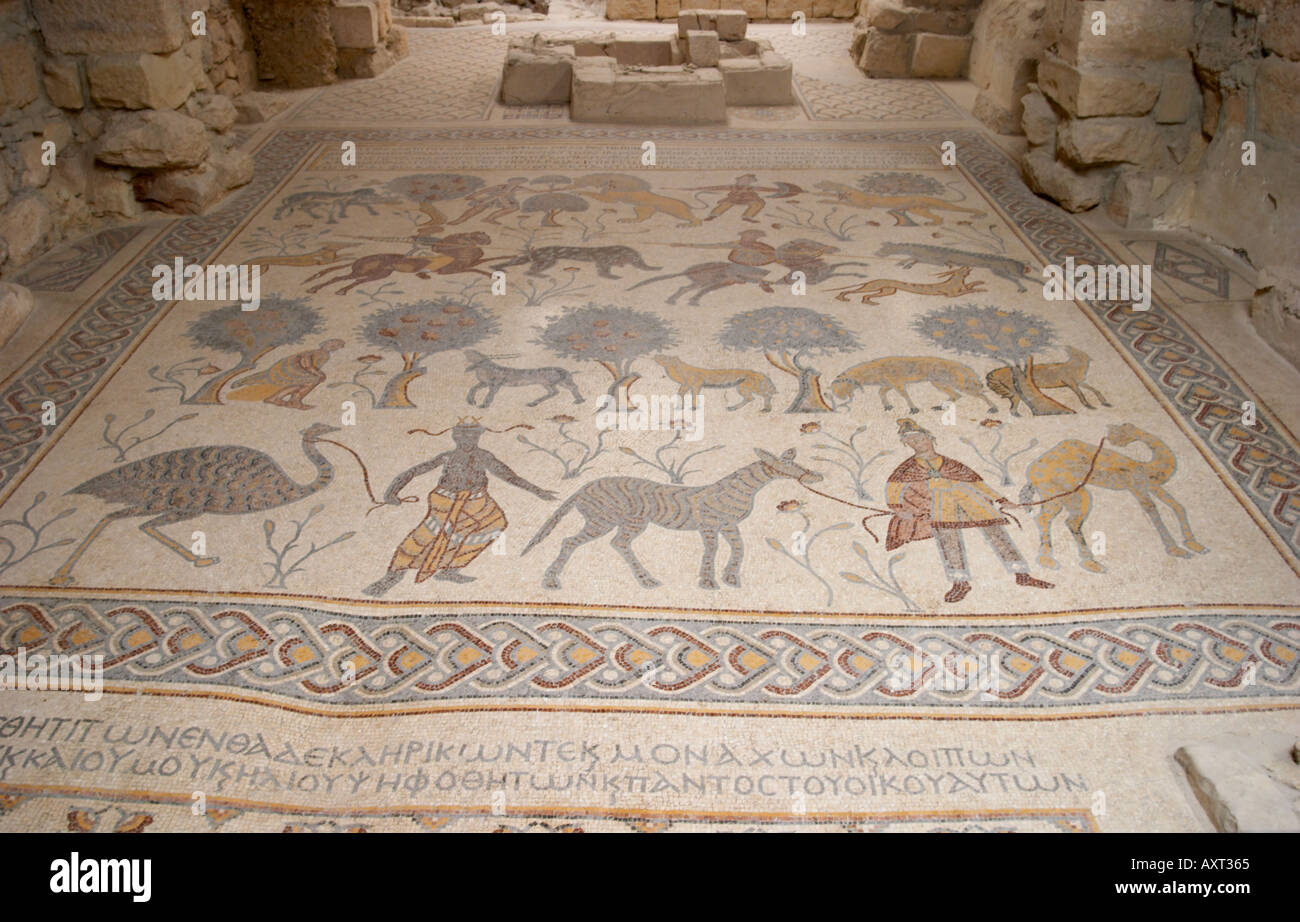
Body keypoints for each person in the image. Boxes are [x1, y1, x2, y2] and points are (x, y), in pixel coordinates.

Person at [363, 419, 555, 596]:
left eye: (473, 436)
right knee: (427, 534)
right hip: (446, 501)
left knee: (494, 524)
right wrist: (392, 492)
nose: (468, 440)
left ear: (479, 437)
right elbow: (414, 471)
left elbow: (510, 476)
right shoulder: (448, 457)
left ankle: (451, 568)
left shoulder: (484, 456)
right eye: (463, 436)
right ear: (455, 437)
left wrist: (538, 491)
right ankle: (392, 575)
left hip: (477, 501)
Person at [884, 418, 1053, 603]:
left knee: (996, 532)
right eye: (912, 441)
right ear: (907, 444)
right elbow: (894, 486)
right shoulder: (909, 467)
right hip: (940, 505)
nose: (918, 443)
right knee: (948, 538)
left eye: (921, 439)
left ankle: (1022, 574)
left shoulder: (951, 463)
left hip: (968, 500)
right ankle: (960, 582)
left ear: (930, 438)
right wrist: (898, 508)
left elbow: (976, 483)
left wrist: (1002, 500)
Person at [227, 339, 344, 410]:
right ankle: (292, 400)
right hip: (289, 370)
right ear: (325, 343)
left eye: (337, 346)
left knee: (304, 382)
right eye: (333, 343)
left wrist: (315, 373)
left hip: (292, 370)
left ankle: (279, 399)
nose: (334, 346)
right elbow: (305, 361)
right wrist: (317, 373)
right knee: (312, 380)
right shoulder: (319, 352)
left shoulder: (324, 354)